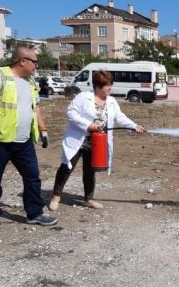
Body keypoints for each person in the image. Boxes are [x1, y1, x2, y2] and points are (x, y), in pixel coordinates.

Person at [0, 46, 57, 230]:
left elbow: (35, 107)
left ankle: (35, 213)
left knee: (32, 177)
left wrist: (43, 129)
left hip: (23, 140)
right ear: (23, 61)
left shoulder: (30, 81)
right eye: (35, 62)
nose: (37, 65)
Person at [49, 70, 145, 210]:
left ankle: (89, 198)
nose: (110, 87)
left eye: (111, 84)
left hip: (97, 142)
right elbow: (70, 113)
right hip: (78, 139)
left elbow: (120, 117)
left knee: (90, 170)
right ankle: (55, 197)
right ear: (98, 86)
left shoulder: (111, 101)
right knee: (67, 167)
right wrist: (89, 125)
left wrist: (134, 126)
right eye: (107, 85)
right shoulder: (83, 97)